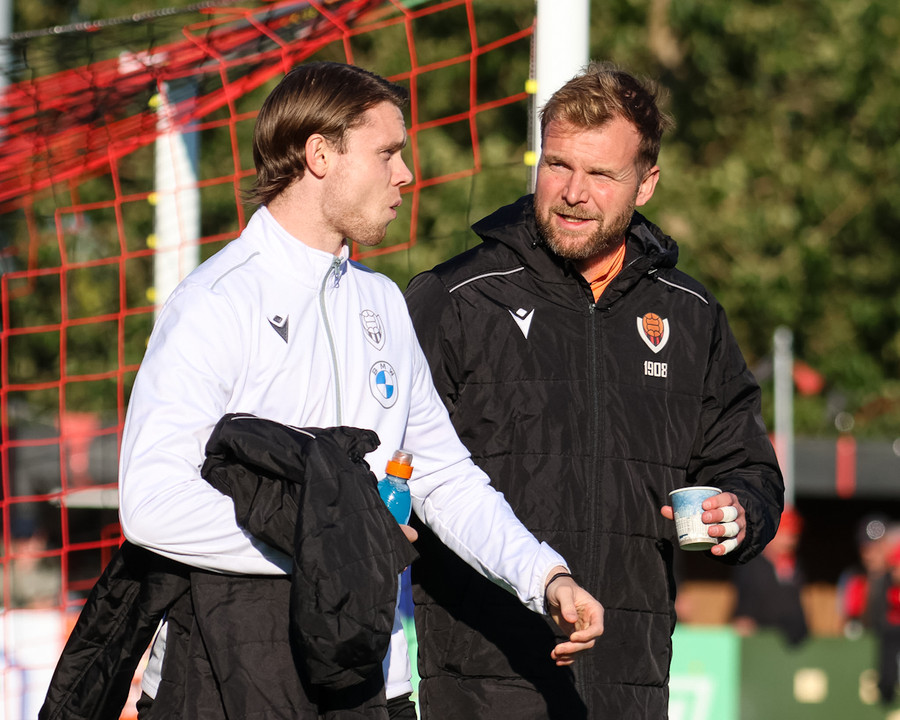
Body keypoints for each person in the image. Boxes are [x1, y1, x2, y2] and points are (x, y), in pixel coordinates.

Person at [115, 62, 603, 719]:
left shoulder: (382, 302)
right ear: (320, 155)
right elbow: (151, 503)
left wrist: (545, 575)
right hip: (221, 684)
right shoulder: (215, 301)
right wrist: (331, 541)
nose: (406, 174)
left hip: (371, 683)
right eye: (387, 152)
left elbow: (442, 477)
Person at [404, 60, 784, 718]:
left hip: (631, 684)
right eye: (558, 165)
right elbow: (390, 467)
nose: (574, 192)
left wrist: (739, 512)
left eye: (601, 174)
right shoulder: (456, 297)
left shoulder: (691, 315)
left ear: (647, 183)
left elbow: (745, 466)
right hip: (484, 683)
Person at [731, 506, 808, 646]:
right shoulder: (751, 563)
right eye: (784, 534)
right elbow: (744, 602)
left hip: (792, 640)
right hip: (760, 638)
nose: (789, 541)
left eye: (793, 536)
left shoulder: (795, 566)